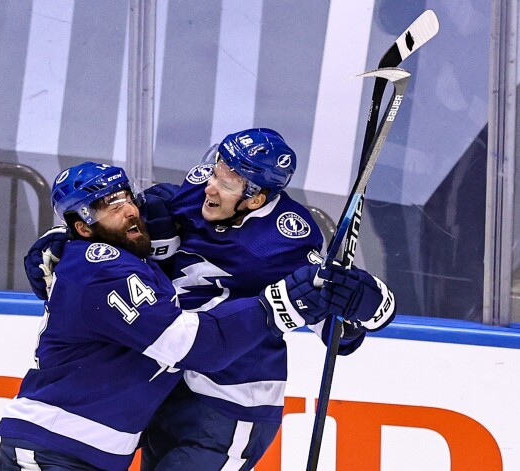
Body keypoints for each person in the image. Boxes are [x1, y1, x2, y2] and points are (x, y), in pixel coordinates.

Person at [23, 129, 396, 470]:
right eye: (215, 170)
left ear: (256, 198)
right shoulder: (194, 193)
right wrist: (73, 237)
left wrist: (363, 304)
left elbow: (335, 325)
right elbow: (126, 225)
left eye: (227, 183)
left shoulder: (286, 241)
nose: (210, 187)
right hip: (167, 386)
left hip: (230, 400)